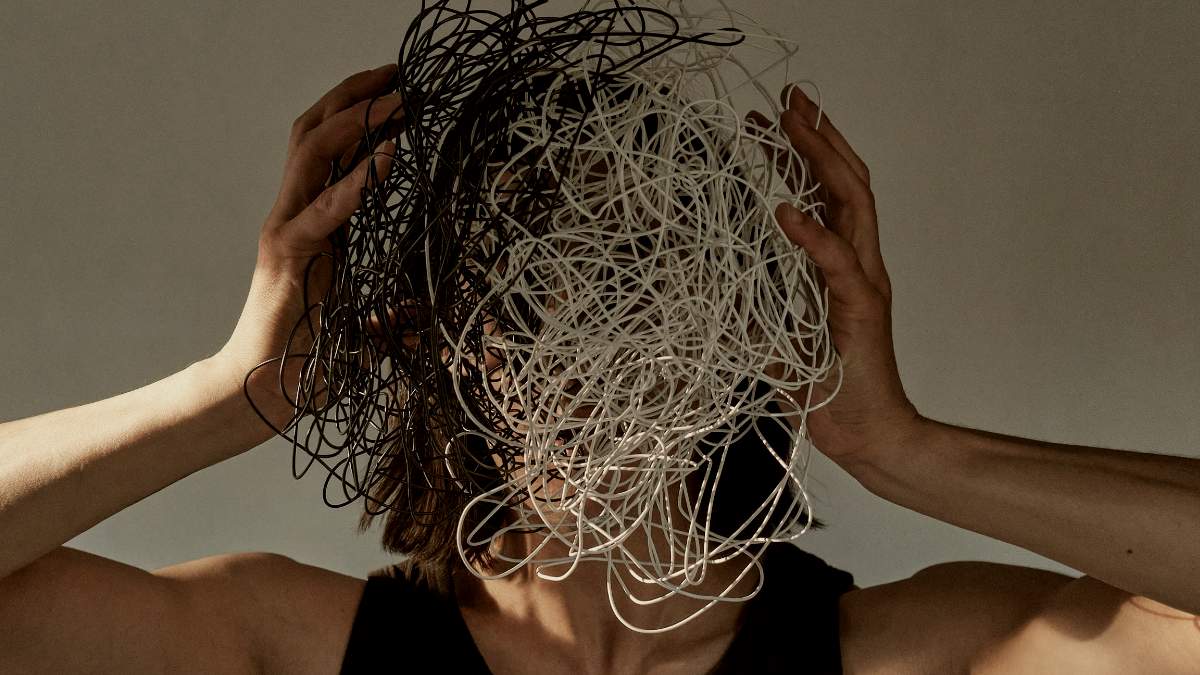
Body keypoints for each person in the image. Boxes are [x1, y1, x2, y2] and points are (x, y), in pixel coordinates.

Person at [0, 62, 1197, 675]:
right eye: (519, 292)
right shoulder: (289, 644)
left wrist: (912, 451)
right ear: (442, 344)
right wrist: (228, 398)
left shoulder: (914, 651)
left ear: (734, 324)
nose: (574, 344)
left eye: (629, 275)